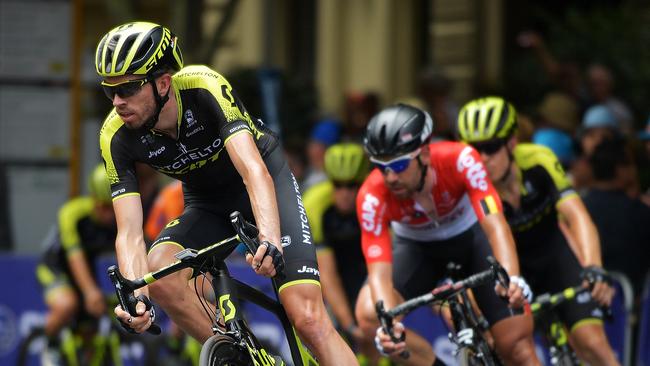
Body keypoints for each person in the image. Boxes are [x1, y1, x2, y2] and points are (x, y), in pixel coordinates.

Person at [94, 21, 358, 365]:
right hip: (208, 204)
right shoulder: (115, 136)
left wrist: (270, 239)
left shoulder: (203, 87)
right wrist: (137, 298)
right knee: (160, 274)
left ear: (162, 83)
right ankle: (243, 358)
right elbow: (129, 232)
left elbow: (253, 171)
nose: (117, 102)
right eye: (108, 91)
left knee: (307, 318)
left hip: (265, 185)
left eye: (127, 89)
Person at [354, 103, 540, 366]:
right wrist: (388, 322)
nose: (389, 177)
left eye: (398, 165)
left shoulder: (461, 159)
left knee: (517, 348)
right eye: (380, 167)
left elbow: (496, 224)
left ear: (425, 155)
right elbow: (378, 271)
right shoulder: (371, 196)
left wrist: (512, 277)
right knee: (370, 315)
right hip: (417, 249)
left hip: (470, 239)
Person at [456, 96, 619, 366]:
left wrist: (594, 267)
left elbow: (577, 215)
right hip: (510, 274)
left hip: (555, 260)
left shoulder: (538, 161)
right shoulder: (466, 187)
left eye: (491, 147)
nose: (482, 159)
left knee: (593, 343)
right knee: (513, 352)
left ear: (511, 143)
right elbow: (468, 254)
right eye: (473, 151)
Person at [36, 164, 117, 365]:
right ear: (93, 199)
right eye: (104, 207)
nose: (109, 215)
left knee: (92, 325)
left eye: (113, 207)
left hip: (86, 269)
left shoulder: (120, 218)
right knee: (67, 305)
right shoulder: (72, 213)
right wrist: (90, 292)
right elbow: (75, 256)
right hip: (55, 267)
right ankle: (50, 345)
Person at [303, 142, 375, 360]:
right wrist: (351, 326)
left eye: (352, 186)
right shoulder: (314, 203)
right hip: (334, 270)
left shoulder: (375, 199)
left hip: (368, 267)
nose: (344, 193)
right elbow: (327, 273)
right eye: (338, 185)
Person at [582, 138, 650, 299]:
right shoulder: (640, 213)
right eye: (632, 165)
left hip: (587, 299)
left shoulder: (579, 209)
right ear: (620, 170)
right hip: (631, 304)